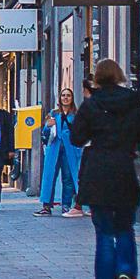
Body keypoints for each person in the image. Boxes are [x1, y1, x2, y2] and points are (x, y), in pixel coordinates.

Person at [71, 62, 140, 279]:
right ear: (118, 76)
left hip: (98, 171)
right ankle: (126, 270)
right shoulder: (132, 99)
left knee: (104, 232)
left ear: (97, 78)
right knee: (125, 226)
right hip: (126, 169)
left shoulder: (91, 104)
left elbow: (77, 138)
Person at [36, 84, 81, 217]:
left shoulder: (76, 114)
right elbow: (45, 133)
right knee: (50, 176)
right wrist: (47, 126)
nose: (65, 98)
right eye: (63, 95)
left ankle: (66, 205)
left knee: (68, 177)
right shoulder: (54, 113)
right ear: (60, 98)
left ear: (72, 98)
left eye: (68, 95)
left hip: (70, 150)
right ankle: (46, 205)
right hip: (54, 148)